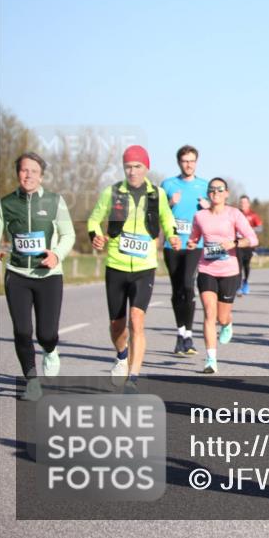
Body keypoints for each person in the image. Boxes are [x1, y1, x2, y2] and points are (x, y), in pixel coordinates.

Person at [88, 145, 180, 390]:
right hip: (116, 265)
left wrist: (172, 235)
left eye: (137, 166)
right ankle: (121, 356)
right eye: (128, 166)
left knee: (137, 320)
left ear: (146, 167)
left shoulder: (157, 194)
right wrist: (95, 235)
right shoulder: (113, 192)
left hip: (144, 266)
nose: (132, 171)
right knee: (117, 325)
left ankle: (134, 377)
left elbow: (167, 219)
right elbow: (94, 219)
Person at [0, 152, 76, 401]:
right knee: (22, 331)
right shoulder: (5, 203)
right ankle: (31, 380)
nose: (28, 174)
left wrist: (57, 255)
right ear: (18, 173)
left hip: (49, 275)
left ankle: (50, 351)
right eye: (23, 170)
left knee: (46, 334)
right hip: (17, 274)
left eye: (33, 170)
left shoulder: (55, 201)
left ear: (41, 175)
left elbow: (68, 235)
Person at [186, 178, 258, 373]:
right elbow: (194, 237)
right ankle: (211, 360)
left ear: (226, 193)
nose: (215, 192)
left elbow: (253, 239)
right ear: (208, 193)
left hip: (229, 272)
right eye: (212, 189)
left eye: (220, 189)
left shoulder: (234, 214)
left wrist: (234, 243)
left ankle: (228, 324)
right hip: (206, 269)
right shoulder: (200, 216)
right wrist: (191, 243)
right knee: (209, 313)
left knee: (221, 316)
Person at [160, 145, 209, 357]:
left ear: (196, 162)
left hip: (193, 245)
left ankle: (189, 334)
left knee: (189, 286)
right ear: (179, 163)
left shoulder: (205, 186)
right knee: (177, 289)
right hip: (172, 245)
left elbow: (214, 215)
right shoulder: (168, 185)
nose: (188, 164)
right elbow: (157, 213)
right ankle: (181, 334)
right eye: (185, 161)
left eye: (192, 161)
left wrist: (207, 207)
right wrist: (170, 203)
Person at [236, 195, 263, 295]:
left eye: (245, 202)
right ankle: (238, 286)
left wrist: (250, 230)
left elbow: (260, 228)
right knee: (238, 263)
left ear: (248, 204)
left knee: (246, 264)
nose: (243, 204)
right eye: (241, 202)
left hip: (249, 243)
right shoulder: (236, 213)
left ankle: (245, 282)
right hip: (238, 243)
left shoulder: (253, 215)